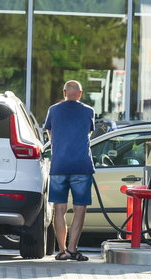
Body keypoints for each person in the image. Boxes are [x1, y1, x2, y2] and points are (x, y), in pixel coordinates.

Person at [44, 80, 95, 261]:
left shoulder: (53, 110)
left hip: (59, 166)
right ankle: (73, 249)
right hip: (82, 166)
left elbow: (50, 134)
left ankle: (62, 250)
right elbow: (88, 133)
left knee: (59, 208)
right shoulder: (89, 111)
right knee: (80, 208)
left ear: (64, 92)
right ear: (80, 94)